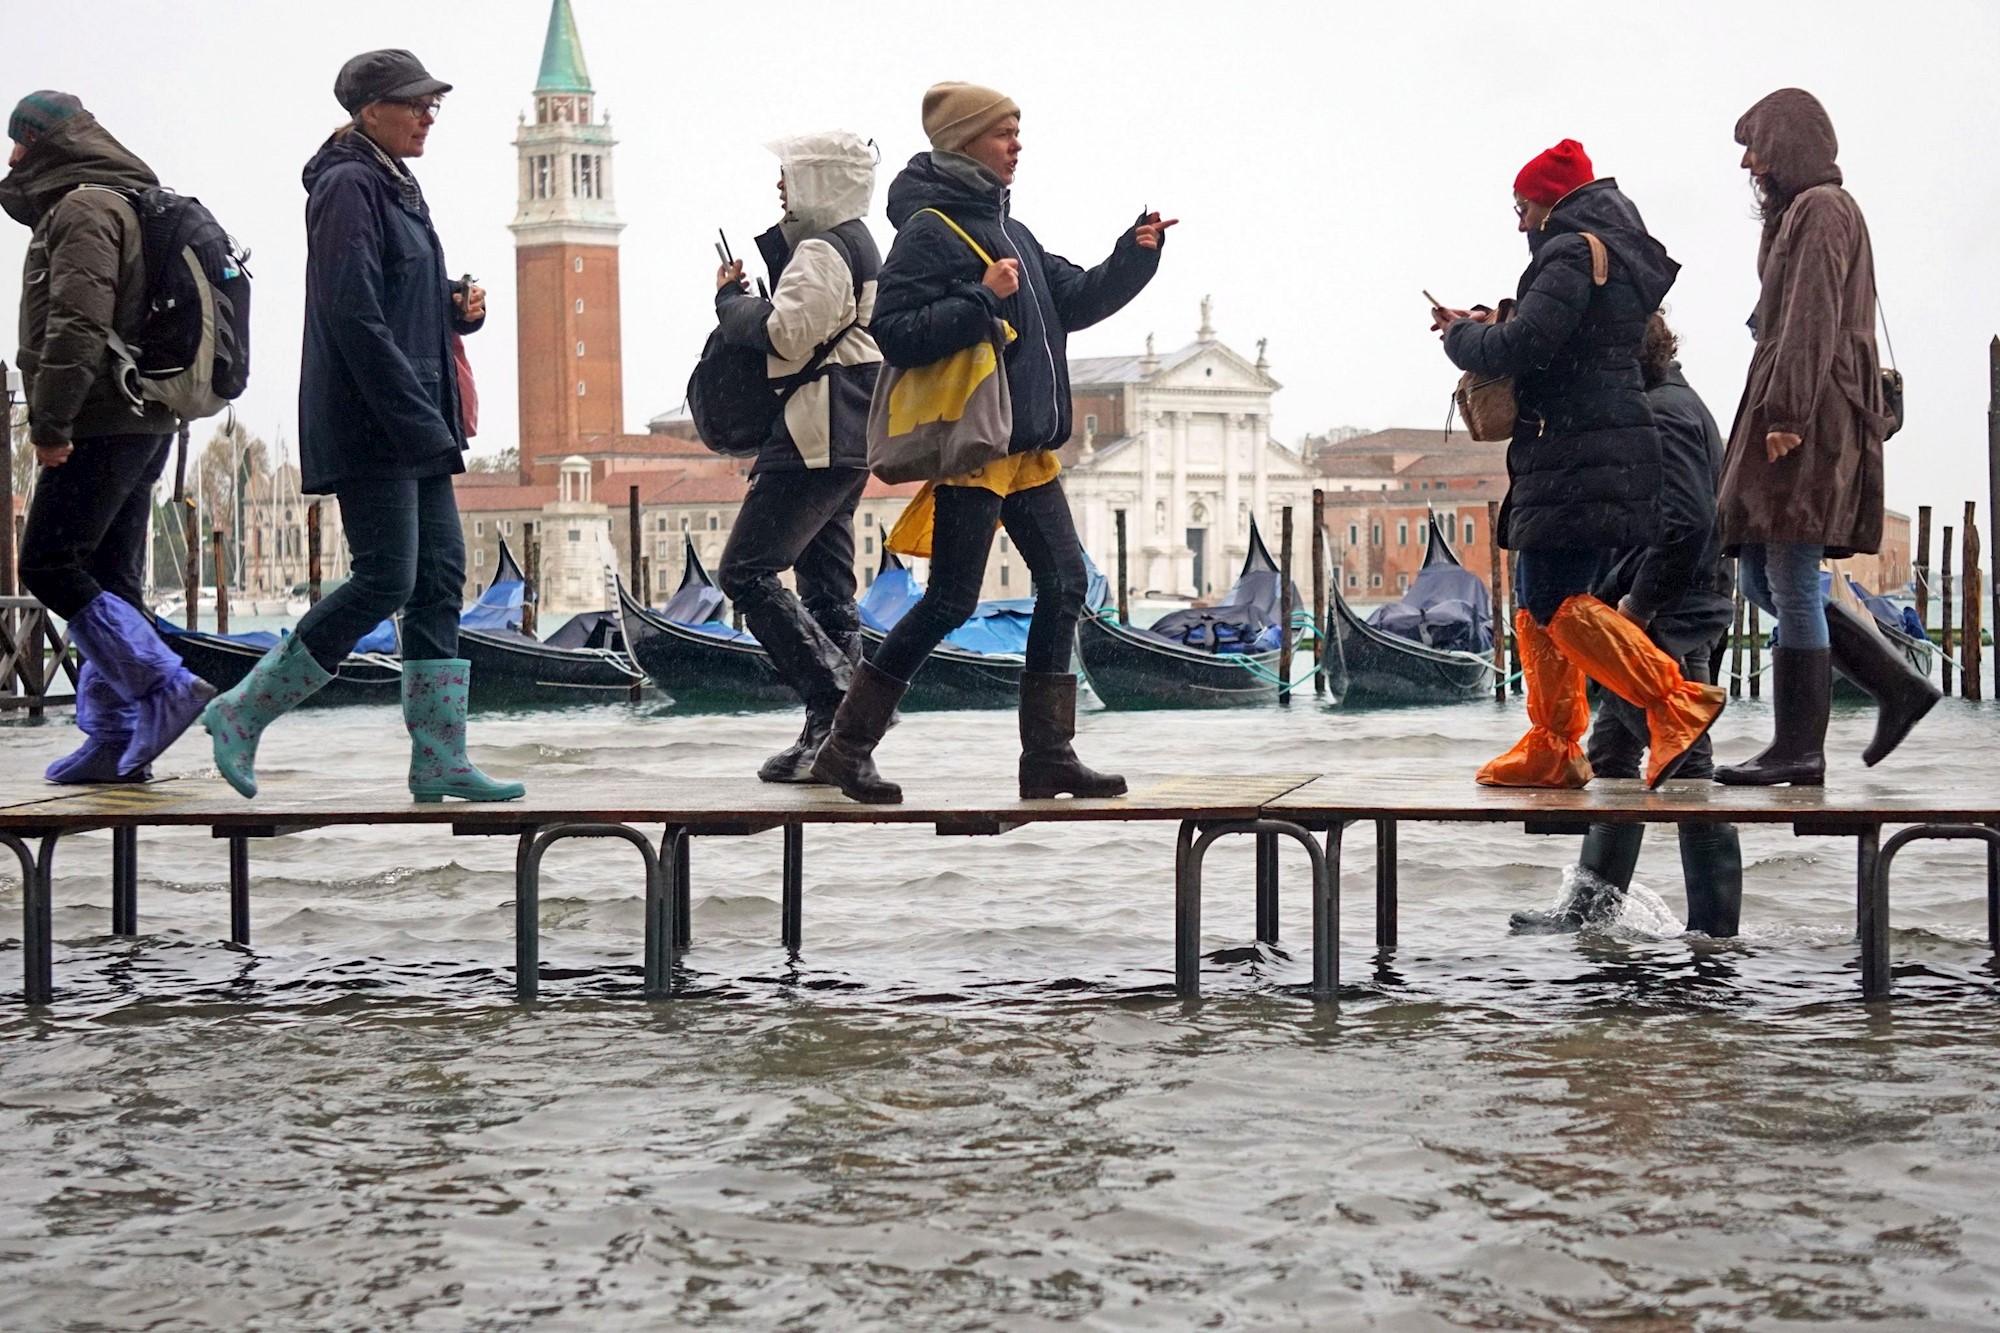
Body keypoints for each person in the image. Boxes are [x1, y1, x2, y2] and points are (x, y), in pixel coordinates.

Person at [809, 82, 1174, 804]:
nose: (1017, 144)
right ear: (965, 141)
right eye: (1005, 132)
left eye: (1018, 131)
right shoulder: (929, 231)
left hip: (1026, 450)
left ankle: (1048, 757)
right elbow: (897, 333)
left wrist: (1134, 255)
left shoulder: (1015, 231)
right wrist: (981, 295)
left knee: (1066, 582)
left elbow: (1075, 299)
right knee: (949, 600)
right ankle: (846, 748)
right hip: (976, 447)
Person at [201, 50, 522, 804]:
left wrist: (452, 306)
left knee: (439, 576)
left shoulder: (395, 182)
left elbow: (394, 289)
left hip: (416, 420)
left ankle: (439, 757)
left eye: (433, 104)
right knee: (387, 576)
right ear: (369, 109)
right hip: (375, 421)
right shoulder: (348, 184)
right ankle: (242, 711)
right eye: (415, 104)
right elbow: (352, 309)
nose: (428, 115)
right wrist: (413, 414)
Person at [1432, 139, 1724, 790]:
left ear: (1548, 200)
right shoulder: (1604, 249)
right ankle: (1555, 743)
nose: (1518, 221)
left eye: (1521, 206)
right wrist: (1487, 320)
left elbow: (1525, 344)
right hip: (1581, 451)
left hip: (1577, 453)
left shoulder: (1569, 247)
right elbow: (1561, 335)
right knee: (1540, 608)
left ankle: (1674, 700)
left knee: (1558, 603)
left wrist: (1460, 337)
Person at [1714, 88, 1936, 786]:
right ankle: (1897, 686)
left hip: (1805, 417)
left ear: (1788, 145)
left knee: (1788, 574)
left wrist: (1786, 413)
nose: (1748, 161)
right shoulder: (1801, 213)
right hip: (1802, 405)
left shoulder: (1822, 210)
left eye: (1757, 145)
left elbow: (1812, 315)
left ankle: (1799, 748)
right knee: (1760, 571)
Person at [1, 92, 213, 784]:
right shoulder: (123, 198)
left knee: (50, 564)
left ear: (46, 145)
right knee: (112, 579)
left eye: (19, 143)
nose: (10, 158)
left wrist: (51, 422)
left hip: (102, 413)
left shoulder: (84, 209)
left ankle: (161, 686)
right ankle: (115, 741)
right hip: (145, 414)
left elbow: (76, 324)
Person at [1512, 313, 1743, 936]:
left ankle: (1715, 934)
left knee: (1688, 766)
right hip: (1663, 608)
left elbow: (1687, 523)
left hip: (1671, 614)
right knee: (1614, 754)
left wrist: (1637, 607)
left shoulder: (1666, 413)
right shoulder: (1667, 402)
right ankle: (1591, 916)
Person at [713, 131, 882, 783]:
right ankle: (834, 742)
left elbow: (787, 331)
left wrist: (732, 302)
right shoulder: (861, 242)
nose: (780, 185)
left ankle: (837, 700)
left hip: (816, 428)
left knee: (745, 573)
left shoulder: (820, 248)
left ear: (821, 180)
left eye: (789, 174)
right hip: (856, 427)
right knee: (826, 583)